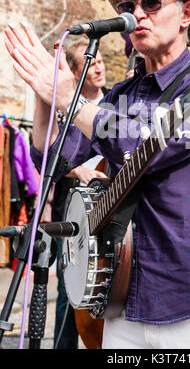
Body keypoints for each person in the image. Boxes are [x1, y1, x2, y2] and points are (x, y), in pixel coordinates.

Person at [4, 0, 190, 349]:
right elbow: (55, 157)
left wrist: (70, 98)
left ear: (186, 13)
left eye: (151, 3)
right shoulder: (120, 94)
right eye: (128, 5)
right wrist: (44, 93)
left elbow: (146, 143)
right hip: (123, 303)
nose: (137, 14)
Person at [52, 37, 109, 349]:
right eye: (91, 63)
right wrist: (77, 170)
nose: (98, 67)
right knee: (68, 291)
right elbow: (50, 157)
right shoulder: (65, 109)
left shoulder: (115, 99)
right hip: (70, 209)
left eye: (100, 61)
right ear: (77, 71)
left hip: (106, 208)